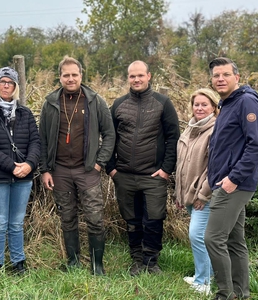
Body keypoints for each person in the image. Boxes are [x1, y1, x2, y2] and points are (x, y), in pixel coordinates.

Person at [39, 56, 115, 275]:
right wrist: (45, 169)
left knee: (94, 217)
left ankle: (96, 265)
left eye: (74, 74)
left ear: (81, 75)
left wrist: (100, 162)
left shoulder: (94, 100)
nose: (70, 79)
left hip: (88, 170)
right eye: (66, 75)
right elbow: (42, 138)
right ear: (60, 77)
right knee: (67, 217)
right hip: (60, 171)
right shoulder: (51, 102)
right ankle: (73, 262)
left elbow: (109, 134)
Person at [106, 60, 180, 276]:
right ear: (127, 78)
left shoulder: (162, 103)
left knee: (154, 219)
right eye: (132, 76)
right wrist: (111, 169)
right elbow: (110, 137)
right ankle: (137, 260)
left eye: (140, 75)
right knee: (132, 220)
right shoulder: (119, 104)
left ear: (149, 76)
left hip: (153, 175)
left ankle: (151, 260)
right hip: (124, 176)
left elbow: (173, 137)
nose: (136, 79)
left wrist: (166, 169)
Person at [204, 57, 258, 300]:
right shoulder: (227, 103)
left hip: (234, 184)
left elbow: (257, 145)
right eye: (216, 75)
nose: (220, 79)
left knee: (213, 238)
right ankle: (241, 294)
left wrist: (233, 178)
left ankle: (224, 294)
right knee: (234, 240)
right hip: (225, 182)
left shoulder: (246, 103)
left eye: (225, 75)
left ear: (237, 78)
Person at [0, 67, 40, 275]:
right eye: (2, 82)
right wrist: (12, 167)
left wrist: (29, 164)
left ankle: (18, 262)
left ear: (15, 87)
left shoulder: (25, 113)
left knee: (17, 223)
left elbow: (36, 142)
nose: (6, 85)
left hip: (24, 177)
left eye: (10, 82)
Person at [175, 88, 219, 295]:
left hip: (204, 195)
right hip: (190, 194)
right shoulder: (190, 128)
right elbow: (182, 164)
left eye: (204, 104)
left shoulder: (215, 130)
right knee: (200, 235)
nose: (199, 108)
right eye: (196, 104)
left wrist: (203, 194)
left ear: (213, 107)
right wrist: (179, 194)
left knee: (197, 235)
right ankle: (206, 275)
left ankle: (203, 283)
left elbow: (214, 168)